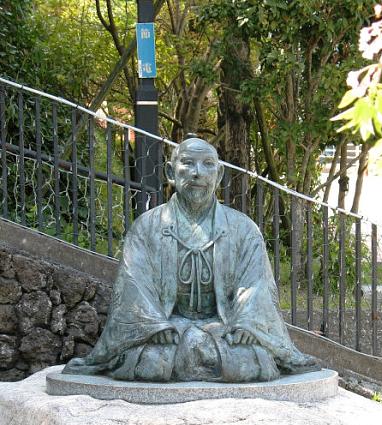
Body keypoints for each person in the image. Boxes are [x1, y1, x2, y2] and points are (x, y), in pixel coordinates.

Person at [64, 137, 317, 382]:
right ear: (171, 173)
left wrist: (246, 324)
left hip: (222, 328)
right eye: (188, 163)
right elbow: (134, 282)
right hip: (168, 329)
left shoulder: (243, 228)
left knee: (246, 364)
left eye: (208, 164)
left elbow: (255, 284)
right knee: (150, 364)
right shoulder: (148, 226)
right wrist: (154, 325)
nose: (198, 173)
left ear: (218, 176)